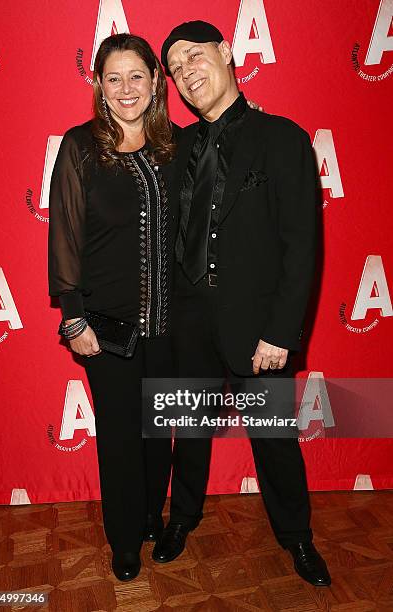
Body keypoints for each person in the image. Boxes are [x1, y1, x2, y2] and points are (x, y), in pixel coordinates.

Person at [152, 21, 331, 587]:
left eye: (194, 57)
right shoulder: (176, 147)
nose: (186, 73)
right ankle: (181, 520)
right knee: (190, 429)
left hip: (259, 328)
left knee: (274, 437)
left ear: (227, 53)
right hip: (188, 319)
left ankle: (297, 537)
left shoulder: (282, 138)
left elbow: (301, 245)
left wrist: (281, 332)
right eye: (175, 69)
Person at [48, 33, 179, 582]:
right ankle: (124, 539)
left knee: (159, 432)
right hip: (107, 327)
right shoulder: (81, 146)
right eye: (114, 77)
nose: (127, 88)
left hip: (172, 325)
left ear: (155, 82)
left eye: (138, 76)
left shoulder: (177, 147)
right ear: (99, 84)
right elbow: (64, 235)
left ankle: (152, 516)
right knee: (122, 439)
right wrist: (73, 315)